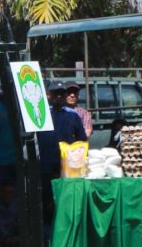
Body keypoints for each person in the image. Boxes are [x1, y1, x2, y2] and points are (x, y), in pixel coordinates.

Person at [37, 81, 87, 220]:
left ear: (65, 95)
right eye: (55, 93)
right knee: (47, 201)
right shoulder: (40, 114)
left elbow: (81, 140)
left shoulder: (73, 115)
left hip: (66, 167)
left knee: (65, 201)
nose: (58, 96)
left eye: (61, 93)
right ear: (49, 95)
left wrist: (80, 163)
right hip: (45, 166)